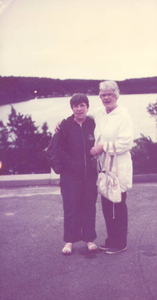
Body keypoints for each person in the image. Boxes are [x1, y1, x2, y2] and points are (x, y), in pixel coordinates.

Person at [90, 80, 133, 255]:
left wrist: (102, 147)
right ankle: (111, 240)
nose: (107, 98)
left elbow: (126, 143)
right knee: (107, 205)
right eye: (103, 95)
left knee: (118, 205)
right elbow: (82, 116)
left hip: (118, 168)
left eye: (110, 94)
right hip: (104, 169)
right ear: (100, 97)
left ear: (116, 95)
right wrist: (60, 123)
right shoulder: (99, 113)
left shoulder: (123, 115)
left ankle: (120, 242)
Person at [57, 93, 98, 255]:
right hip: (70, 176)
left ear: (87, 107)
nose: (79, 109)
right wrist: (72, 165)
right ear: (71, 108)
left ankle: (89, 239)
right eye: (76, 106)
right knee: (71, 207)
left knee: (89, 206)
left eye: (82, 105)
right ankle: (69, 241)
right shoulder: (65, 126)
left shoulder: (93, 123)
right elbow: (58, 149)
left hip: (90, 175)